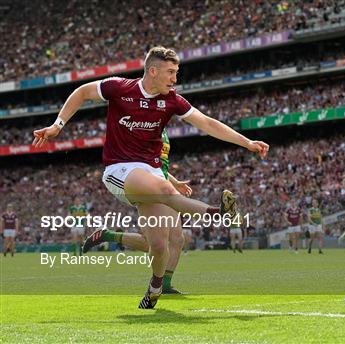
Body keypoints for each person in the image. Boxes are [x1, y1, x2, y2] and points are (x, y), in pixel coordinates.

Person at [32, 46, 269, 309]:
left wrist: (247, 142)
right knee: (166, 193)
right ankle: (218, 213)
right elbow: (82, 92)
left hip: (153, 174)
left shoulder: (172, 100)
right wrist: (57, 125)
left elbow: (208, 123)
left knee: (159, 244)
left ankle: (155, 287)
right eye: (170, 72)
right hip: (120, 170)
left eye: (176, 73)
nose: (174, 79)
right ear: (153, 71)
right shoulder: (119, 88)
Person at [82, 128, 192, 294]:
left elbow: (158, 165)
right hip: (150, 188)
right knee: (154, 244)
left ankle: (166, 285)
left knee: (177, 239)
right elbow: (143, 165)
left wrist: (175, 182)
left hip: (164, 185)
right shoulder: (144, 126)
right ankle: (108, 235)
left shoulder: (162, 130)